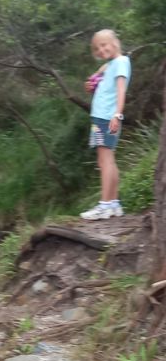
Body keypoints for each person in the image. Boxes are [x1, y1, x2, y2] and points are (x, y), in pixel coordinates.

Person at [80, 29, 131, 221]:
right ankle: (114, 203)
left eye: (104, 44)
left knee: (105, 161)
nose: (101, 50)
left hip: (106, 118)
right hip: (101, 117)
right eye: (97, 48)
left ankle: (105, 205)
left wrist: (117, 114)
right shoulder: (112, 64)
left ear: (115, 43)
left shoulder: (120, 63)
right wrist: (93, 82)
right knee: (108, 159)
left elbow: (121, 91)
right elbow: (101, 77)